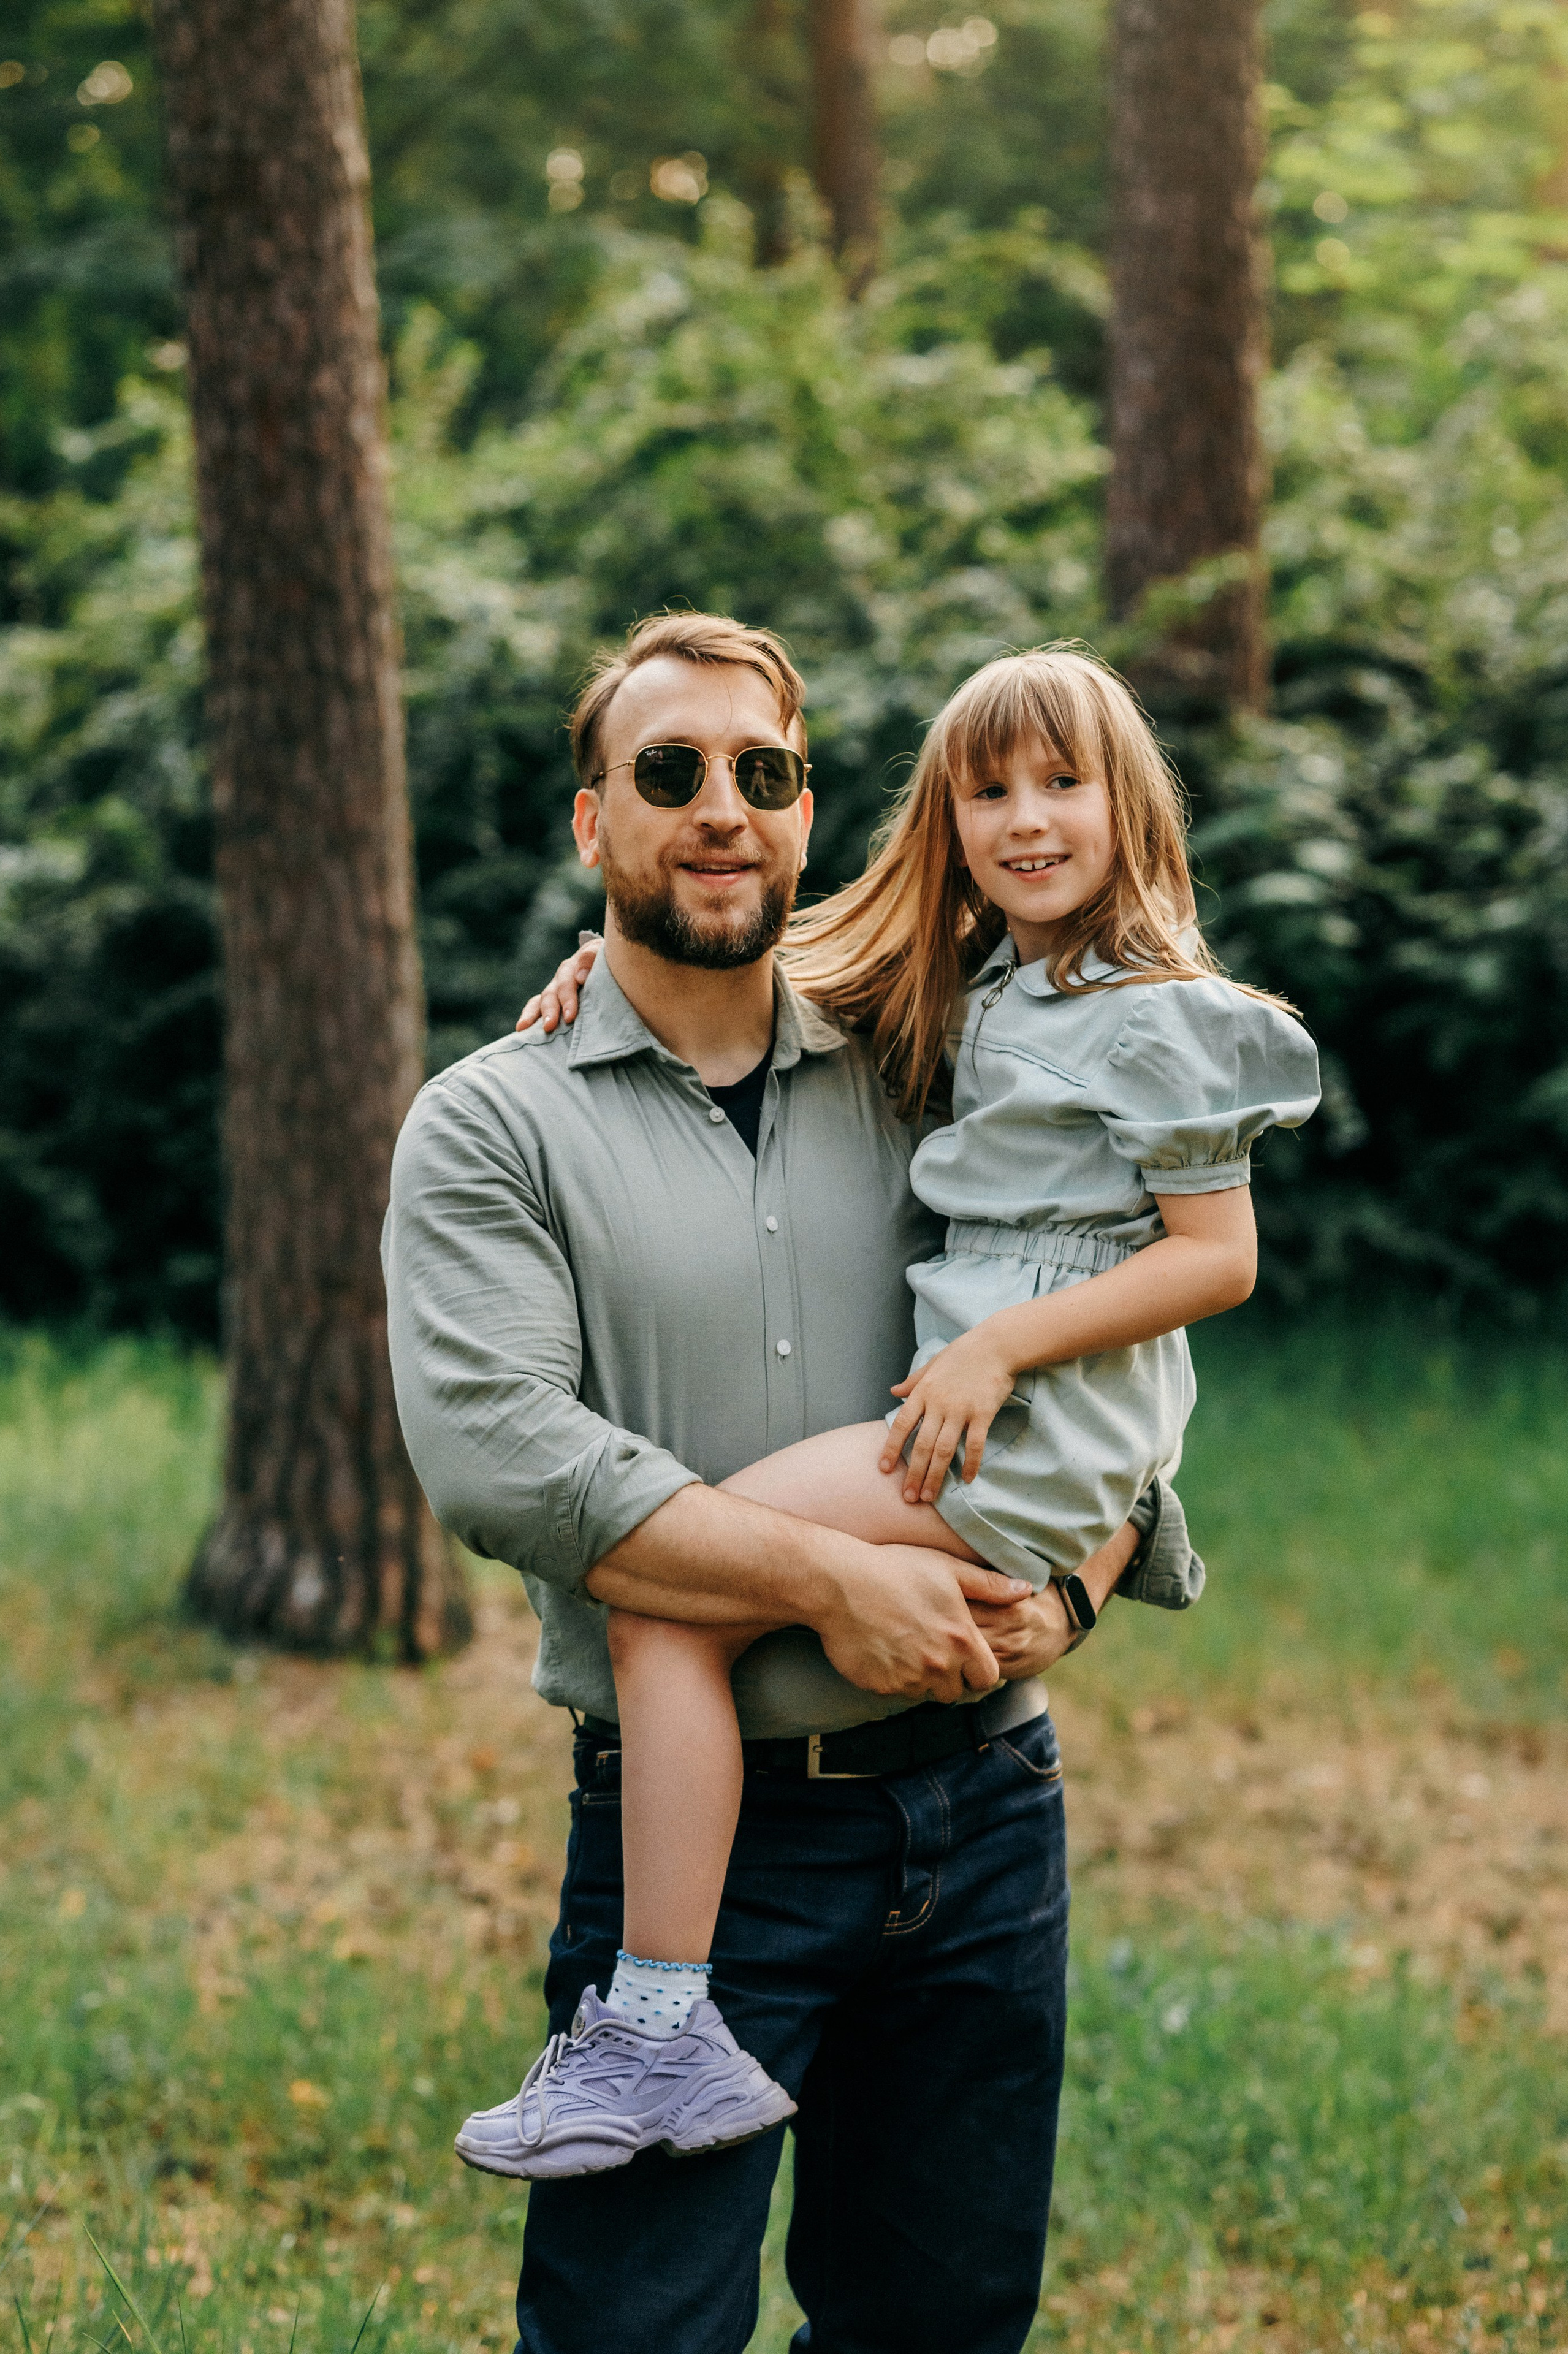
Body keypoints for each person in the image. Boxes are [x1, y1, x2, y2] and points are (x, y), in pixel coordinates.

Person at [382, 614, 1241, 2354]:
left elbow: (1100, 1299)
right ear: (591, 821)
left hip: (983, 1813)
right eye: (669, 772)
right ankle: (652, 2032)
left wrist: (1076, 1588)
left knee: (938, 2322)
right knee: (638, 2333)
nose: (719, 808)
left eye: (760, 776)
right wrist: (834, 1581)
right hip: (708, 1847)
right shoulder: (493, 1123)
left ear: (806, 814)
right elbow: (508, 1459)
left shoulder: (928, 1053)